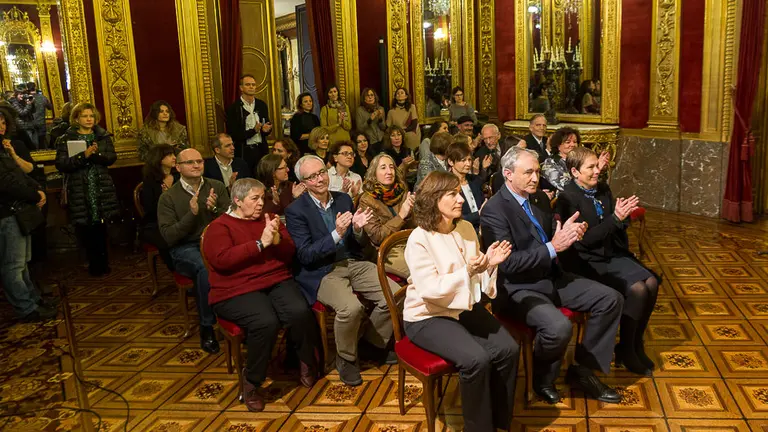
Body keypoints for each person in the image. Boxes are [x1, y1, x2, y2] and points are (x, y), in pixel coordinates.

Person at [480, 146, 623, 405]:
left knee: (611, 298)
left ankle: (584, 370)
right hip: (519, 288)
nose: (536, 178)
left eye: (537, 171)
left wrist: (569, 234)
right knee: (558, 328)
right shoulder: (494, 211)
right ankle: (542, 379)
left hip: (552, 276)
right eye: (529, 173)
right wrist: (552, 247)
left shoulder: (540, 199)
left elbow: (552, 239)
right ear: (508, 174)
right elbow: (509, 264)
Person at [403, 171, 517, 432]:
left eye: (460, 192)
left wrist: (488, 265)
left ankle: (500, 422)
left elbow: (477, 282)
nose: (461, 199)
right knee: (476, 359)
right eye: (452, 194)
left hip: (462, 305)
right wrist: (467, 271)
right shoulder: (419, 239)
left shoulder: (466, 228)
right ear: (433, 199)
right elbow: (431, 290)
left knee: (508, 349)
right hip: (427, 316)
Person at [203, 178, 319, 412]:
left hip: (274, 279)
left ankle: (304, 361)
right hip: (235, 287)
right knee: (265, 322)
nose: (260, 203)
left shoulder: (271, 220)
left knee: (299, 310)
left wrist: (276, 241)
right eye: (254, 199)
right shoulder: (220, 227)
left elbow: (289, 254)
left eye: (262, 198)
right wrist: (259, 244)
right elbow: (222, 260)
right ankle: (252, 382)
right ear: (237, 201)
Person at [285, 155, 399, 386]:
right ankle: (346, 358)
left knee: (396, 296)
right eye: (312, 176)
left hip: (353, 262)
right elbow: (306, 255)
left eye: (321, 172)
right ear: (303, 183)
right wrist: (336, 233)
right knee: (351, 308)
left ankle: (369, 343)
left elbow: (358, 245)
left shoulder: (343, 199)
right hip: (322, 271)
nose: (319, 179)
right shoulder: (296, 211)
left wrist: (357, 230)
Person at [556, 147, 659, 376]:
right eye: (590, 167)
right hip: (585, 260)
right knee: (638, 289)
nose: (597, 172)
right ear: (575, 171)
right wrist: (615, 219)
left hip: (610, 253)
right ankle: (626, 350)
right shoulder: (568, 198)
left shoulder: (602, 188)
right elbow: (584, 241)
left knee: (652, 282)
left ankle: (632, 344)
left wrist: (620, 219)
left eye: (597, 166)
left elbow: (615, 224)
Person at [158, 148, 230, 354]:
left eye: (199, 161)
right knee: (205, 268)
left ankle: (236, 320)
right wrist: (192, 214)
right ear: (178, 167)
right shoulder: (168, 197)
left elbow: (231, 219)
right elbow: (170, 236)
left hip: (216, 242)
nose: (197, 165)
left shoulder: (215, 186)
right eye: (190, 162)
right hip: (185, 247)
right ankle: (207, 327)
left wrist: (215, 210)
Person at [55, 103, 120, 276]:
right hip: (79, 189)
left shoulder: (102, 136)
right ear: (76, 118)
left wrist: (96, 155)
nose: (89, 119)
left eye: (91, 115)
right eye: (85, 116)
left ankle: (104, 263)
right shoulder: (66, 139)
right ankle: (93, 264)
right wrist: (83, 156)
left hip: (100, 187)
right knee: (85, 228)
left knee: (102, 227)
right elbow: (61, 165)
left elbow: (111, 158)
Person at [0, 129, 53, 321]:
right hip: (6, 213)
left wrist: (37, 189)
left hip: (19, 211)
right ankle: (26, 309)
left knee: (22, 263)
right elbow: (6, 183)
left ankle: (33, 300)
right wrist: (34, 195)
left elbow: (20, 175)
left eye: (3, 122)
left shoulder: (5, 148)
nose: (1, 126)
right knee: (13, 265)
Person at [358, 153, 416, 278]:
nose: (389, 171)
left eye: (391, 167)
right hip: (387, 251)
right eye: (383, 168)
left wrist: (413, 212)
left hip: (410, 242)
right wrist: (401, 216)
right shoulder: (367, 199)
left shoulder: (402, 190)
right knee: (419, 271)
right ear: (374, 173)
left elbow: (414, 227)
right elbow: (377, 237)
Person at [140, 144, 179, 270]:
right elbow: (149, 209)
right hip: (155, 223)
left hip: (178, 219)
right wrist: (163, 199)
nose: (174, 157)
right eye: (169, 155)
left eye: (174, 154)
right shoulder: (150, 181)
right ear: (159, 159)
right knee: (168, 239)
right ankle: (177, 271)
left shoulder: (179, 177)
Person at [226, 74, 272, 170]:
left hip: (261, 150)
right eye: (248, 84)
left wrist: (265, 130)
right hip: (244, 152)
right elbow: (233, 134)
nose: (251, 87)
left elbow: (266, 125)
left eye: (253, 85)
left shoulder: (261, 105)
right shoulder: (234, 108)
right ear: (241, 88)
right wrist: (253, 131)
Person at [446, 142, 486, 232]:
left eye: (469, 160)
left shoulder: (475, 180)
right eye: (463, 160)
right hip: (458, 230)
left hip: (482, 227)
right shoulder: (446, 185)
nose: (468, 164)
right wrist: (478, 214)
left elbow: (482, 205)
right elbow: (453, 219)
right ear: (451, 162)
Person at [27, 82, 52, 149]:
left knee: (32, 145)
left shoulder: (26, 98)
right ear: (35, 87)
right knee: (42, 143)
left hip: (30, 124)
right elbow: (50, 108)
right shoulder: (43, 98)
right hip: (41, 123)